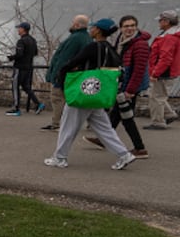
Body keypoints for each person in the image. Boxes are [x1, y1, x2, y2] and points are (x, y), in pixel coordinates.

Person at [44, 18, 136, 171]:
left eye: (93, 27)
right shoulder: (111, 49)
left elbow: (72, 63)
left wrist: (62, 73)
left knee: (68, 126)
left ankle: (60, 158)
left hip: (85, 92)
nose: (91, 30)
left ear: (98, 30)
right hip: (99, 94)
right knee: (105, 128)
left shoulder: (93, 47)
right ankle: (124, 154)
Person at [83, 15, 149, 159]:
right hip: (122, 83)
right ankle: (105, 139)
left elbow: (139, 69)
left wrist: (131, 90)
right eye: (126, 26)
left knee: (126, 117)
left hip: (130, 86)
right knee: (117, 114)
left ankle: (140, 148)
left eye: (132, 25)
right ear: (121, 28)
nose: (129, 28)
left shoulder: (140, 44)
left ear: (136, 27)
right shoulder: (122, 40)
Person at [42, 15, 92, 131]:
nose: (71, 24)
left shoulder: (75, 39)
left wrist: (56, 76)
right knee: (70, 100)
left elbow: (63, 59)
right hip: (76, 75)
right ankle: (66, 123)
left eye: (73, 22)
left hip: (65, 75)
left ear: (77, 25)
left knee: (57, 98)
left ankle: (57, 123)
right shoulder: (86, 38)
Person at [143, 9, 180, 130]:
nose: (159, 23)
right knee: (160, 95)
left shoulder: (168, 37)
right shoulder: (172, 35)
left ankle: (158, 122)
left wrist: (155, 73)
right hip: (168, 71)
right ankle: (169, 114)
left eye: (160, 20)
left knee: (156, 97)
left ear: (166, 22)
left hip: (164, 72)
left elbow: (165, 58)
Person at [6, 22, 45, 116]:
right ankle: (38, 104)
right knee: (26, 87)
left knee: (15, 87)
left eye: (19, 28)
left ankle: (16, 108)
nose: (18, 30)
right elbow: (35, 53)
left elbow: (20, 54)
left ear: (23, 29)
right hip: (29, 67)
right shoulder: (33, 40)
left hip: (20, 67)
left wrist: (11, 57)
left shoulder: (21, 41)